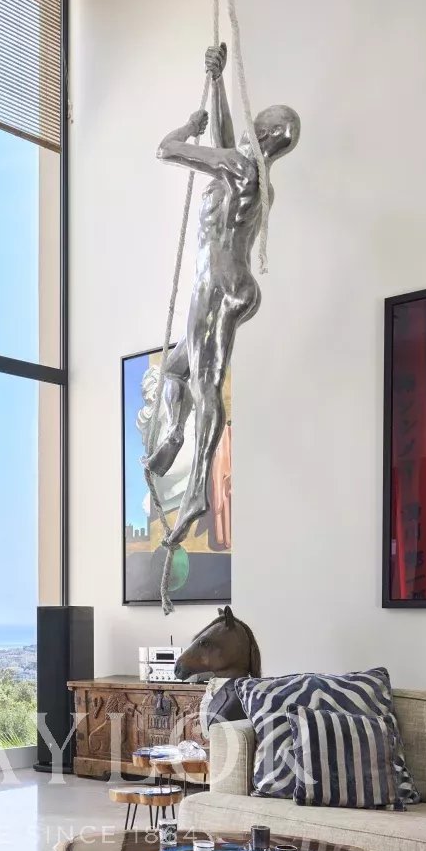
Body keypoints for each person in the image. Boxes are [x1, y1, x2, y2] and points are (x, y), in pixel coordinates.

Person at [145, 43, 299, 549]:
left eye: (259, 122)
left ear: (266, 134)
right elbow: (229, 143)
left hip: (217, 280)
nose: (250, 127)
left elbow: (166, 149)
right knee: (175, 371)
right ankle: (175, 435)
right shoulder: (255, 177)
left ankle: (195, 492)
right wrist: (216, 80)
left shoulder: (238, 166)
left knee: (206, 384)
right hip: (234, 281)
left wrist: (189, 126)